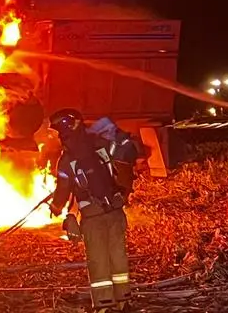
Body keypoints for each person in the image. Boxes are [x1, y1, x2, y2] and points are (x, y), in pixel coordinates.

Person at [48, 109, 132, 313]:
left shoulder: (67, 160)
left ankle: (104, 305)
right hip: (115, 211)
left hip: (93, 217)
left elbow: (63, 190)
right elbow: (124, 164)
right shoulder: (101, 144)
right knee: (118, 256)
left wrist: (56, 207)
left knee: (98, 260)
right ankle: (123, 300)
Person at [87, 117, 142, 201]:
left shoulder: (109, 140)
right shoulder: (119, 138)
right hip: (123, 165)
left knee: (121, 188)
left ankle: (122, 201)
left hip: (121, 165)